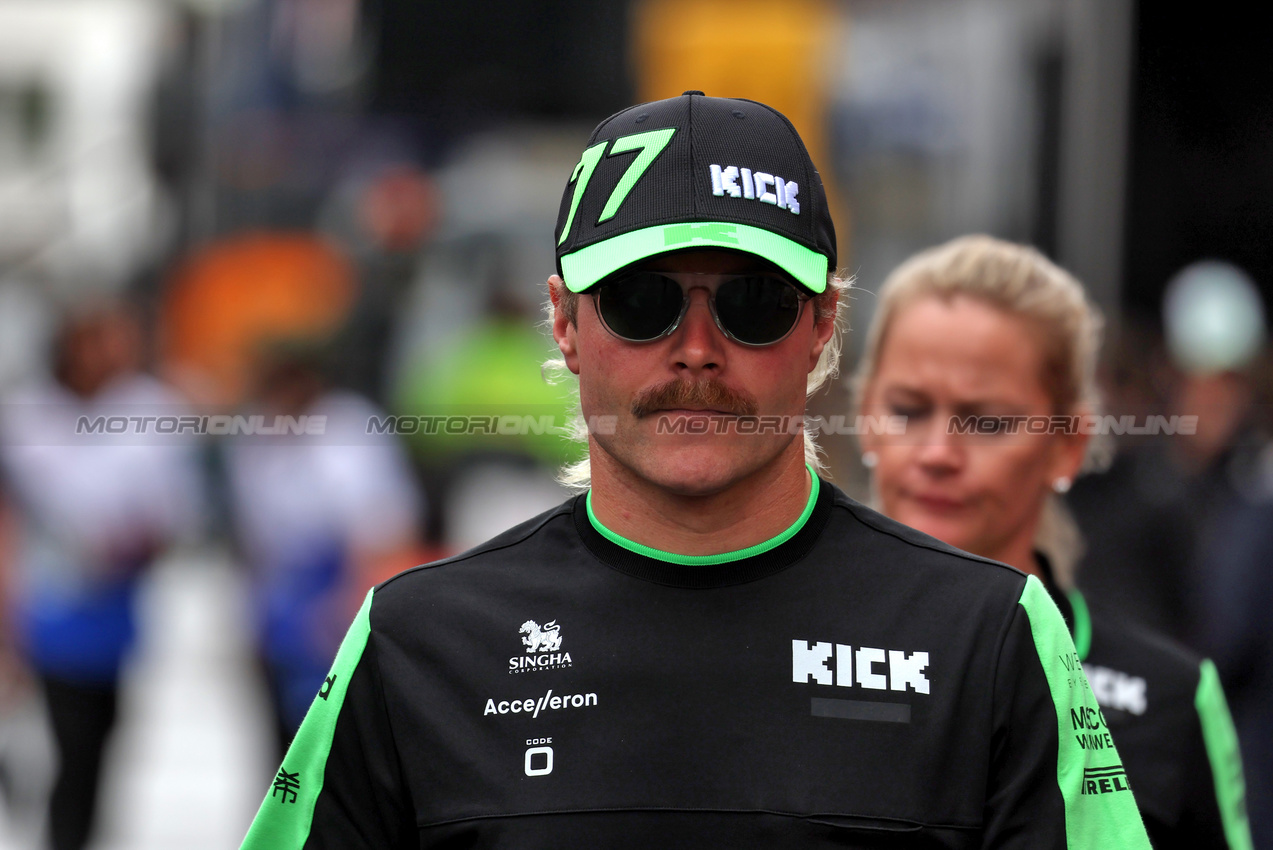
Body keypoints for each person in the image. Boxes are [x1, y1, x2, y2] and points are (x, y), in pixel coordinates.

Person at [240, 92, 1150, 848]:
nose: (697, 350)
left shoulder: (987, 638)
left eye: (752, 302)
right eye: (642, 300)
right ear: (564, 322)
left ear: (822, 328)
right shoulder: (414, 643)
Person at [853, 235, 1252, 849]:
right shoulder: (771, 639)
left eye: (988, 421)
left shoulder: (1172, 698)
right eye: (907, 410)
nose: (937, 454)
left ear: (1067, 443)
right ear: (864, 418)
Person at [0, 302, 204, 850]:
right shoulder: (25, 416)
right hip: (44, 601)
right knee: (69, 736)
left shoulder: (151, 410)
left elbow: (178, 514)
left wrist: (132, 544)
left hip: (115, 602)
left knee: (102, 733)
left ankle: (79, 827)